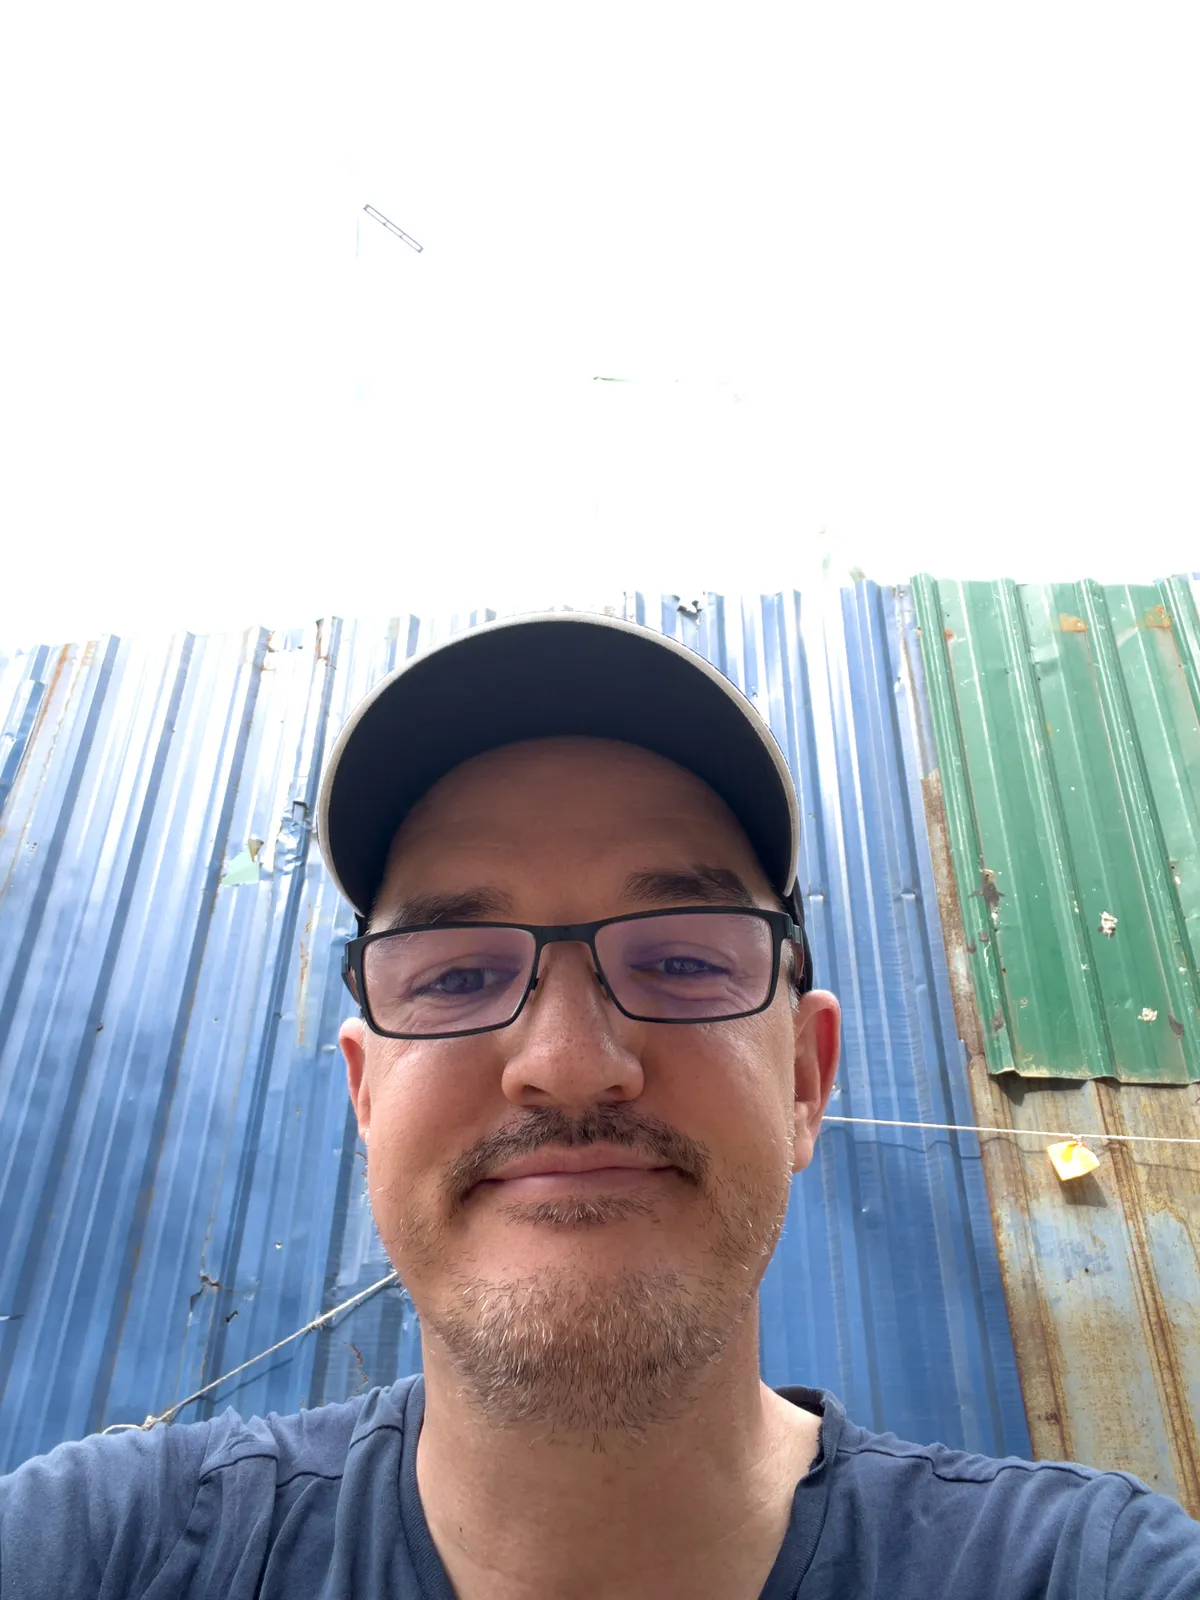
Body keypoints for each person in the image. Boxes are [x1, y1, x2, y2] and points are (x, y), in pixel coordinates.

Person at [1, 612, 1197, 1599]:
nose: (569, 1064)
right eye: (459, 974)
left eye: (679, 960)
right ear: (367, 1096)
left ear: (802, 1079)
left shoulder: (1082, 1574)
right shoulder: (100, 1554)